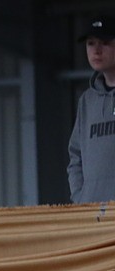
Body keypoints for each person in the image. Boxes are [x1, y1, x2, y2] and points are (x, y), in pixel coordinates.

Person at [68, 15, 115, 204]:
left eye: (105, 42)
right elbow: (75, 155)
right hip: (94, 213)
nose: (96, 50)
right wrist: (81, 198)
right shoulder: (87, 101)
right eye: (91, 43)